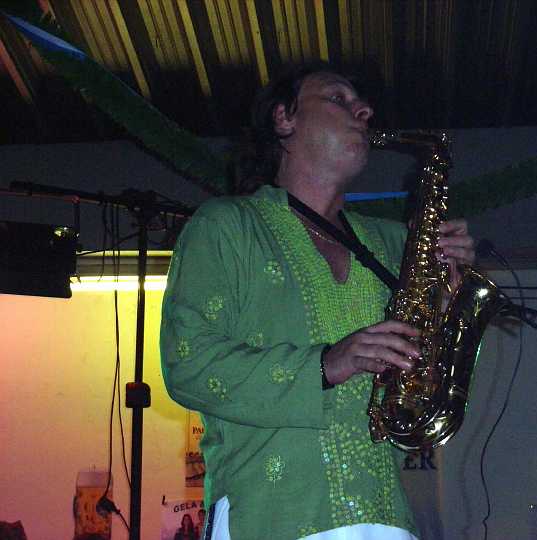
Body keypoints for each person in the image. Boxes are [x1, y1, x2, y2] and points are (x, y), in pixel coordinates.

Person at [160, 62, 476, 540]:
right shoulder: (226, 225)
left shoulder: (397, 244)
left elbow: (425, 392)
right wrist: (325, 365)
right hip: (269, 517)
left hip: (387, 518)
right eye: (337, 99)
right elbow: (188, 365)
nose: (363, 111)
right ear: (284, 118)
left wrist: (448, 303)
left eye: (362, 105)